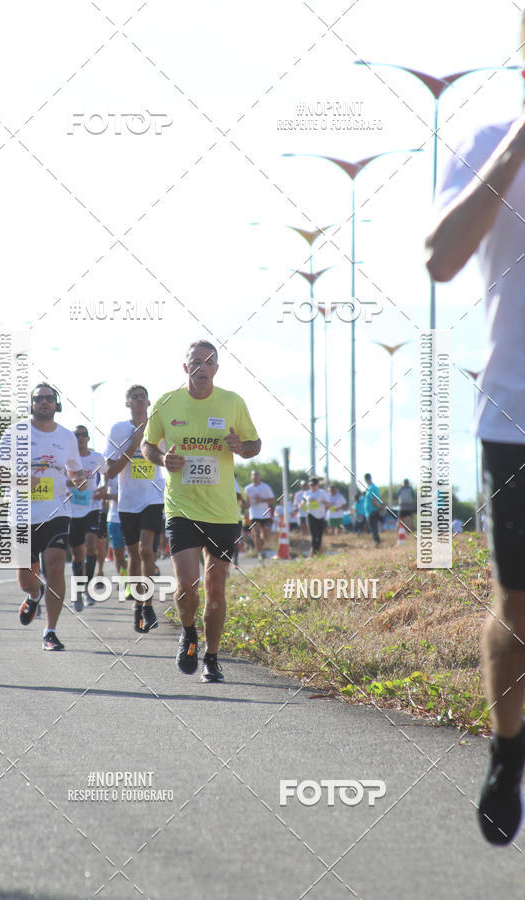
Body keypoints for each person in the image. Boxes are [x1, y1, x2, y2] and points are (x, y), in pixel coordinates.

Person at [425, 13, 525, 843]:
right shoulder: (491, 130)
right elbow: (442, 256)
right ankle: (507, 745)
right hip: (517, 411)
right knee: (519, 604)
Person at [141, 340, 261, 683]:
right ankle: (188, 632)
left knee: (217, 585)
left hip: (222, 512)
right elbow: (147, 445)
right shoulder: (166, 402)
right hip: (181, 507)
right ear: (185, 367)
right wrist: (162, 458)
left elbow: (255, 444)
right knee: (187, 583)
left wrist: (242, 447)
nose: (202, 367)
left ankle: (211, 657)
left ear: (216, 368)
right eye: (195, 361)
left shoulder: (232, 402)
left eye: (209, 362)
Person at [0, 384, 87, 651]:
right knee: (26, 579)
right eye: (38, 398)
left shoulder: (66, 437)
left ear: (56, 404)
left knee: (55, 567)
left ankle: (50, 631)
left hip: (56, 511)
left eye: (49, 398)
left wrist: (79, 480)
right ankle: (34, 595)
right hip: (21, 513)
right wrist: (22, 479)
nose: (44, 402)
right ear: (32, 404)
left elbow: (75, 471)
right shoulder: (16, 432)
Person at [105, 385, 165, 634]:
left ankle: (149, 605)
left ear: (149, 402)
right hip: (128, 501)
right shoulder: (119, 429)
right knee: (133, 555)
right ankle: (138, 607)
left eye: (143, 397)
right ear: (127, 403)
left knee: (146, 551)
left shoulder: (159, 427)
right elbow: (109, 471)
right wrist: (133, 444)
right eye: (134, 398)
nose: (140, 400)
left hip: (154, 496)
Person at [68, 426, 106, 611]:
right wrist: (73, 482)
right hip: (73, 510)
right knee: (77, 554)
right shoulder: (67, 458)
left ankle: (88, 590)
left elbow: (109, 475)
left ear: (88, 438)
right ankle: (78, 590)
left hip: (92, 507)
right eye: (77, 435)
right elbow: (58, 478)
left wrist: (104, 489)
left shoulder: (96, 457)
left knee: (91, 546)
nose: (81, 438)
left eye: (84, 435)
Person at [244, 469, 274, 559]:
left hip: (264, 514)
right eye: (253, 475)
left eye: (256, 475)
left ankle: (264, 547)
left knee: (265, 535)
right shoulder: (248, 488)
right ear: (251, 477)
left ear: (259, 477)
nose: (255, 477)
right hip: (254, 514)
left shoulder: (265, 487)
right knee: (256, 533)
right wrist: (244, 504)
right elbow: (247, 502)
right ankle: (260, 553)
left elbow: (272, 500)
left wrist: (261, 500)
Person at [105, 476, 128, 575]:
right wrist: (113, 496)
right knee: (118, 554)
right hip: (114, 519)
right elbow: (99, 492)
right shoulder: (111, 474)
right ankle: (123, 578)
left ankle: (131, 580)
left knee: (135, 553)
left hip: (131, 516)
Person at [302, 477, 330, 556]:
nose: (312, 487)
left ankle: (318, 554)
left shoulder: (322, 493)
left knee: (319, 536)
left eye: (314, 485)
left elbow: (328, 504)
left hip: (321, 516)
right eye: (310, 485)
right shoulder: (306, 493)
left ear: (317, 485)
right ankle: (312, 554)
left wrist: (321, 501)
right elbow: (303, 501)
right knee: (314, 535)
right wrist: (301, 504)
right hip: (310, 515)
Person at [363, 474, 382, 547]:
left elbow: (374, 500)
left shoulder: (372, 488)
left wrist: (379, 507)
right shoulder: (370, 488)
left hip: (372, 512)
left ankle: (376, 543)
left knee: (374, 528)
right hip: (369, 512)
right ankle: (376, 542)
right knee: (373, 528)